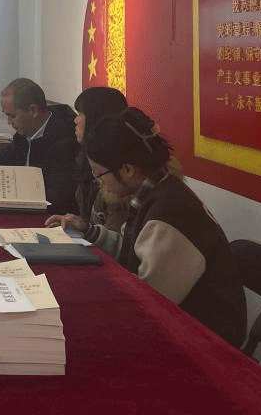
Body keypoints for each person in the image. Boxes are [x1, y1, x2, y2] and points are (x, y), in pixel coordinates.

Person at [80, 107, 247, 346]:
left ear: (127, 170)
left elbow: (148, 304)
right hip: (176, 320)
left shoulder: (168, 214)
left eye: (99, 174)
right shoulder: (157, 189)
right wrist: (88, 230)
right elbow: (133, 250)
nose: (99, 182)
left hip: (204, 342)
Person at [0, 77, 79, 215]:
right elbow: (13, 151)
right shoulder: (28, 129)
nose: (9, 122)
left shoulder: (65, 140)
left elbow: (59, 197)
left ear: (33, 110)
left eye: (13, 116)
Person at [44, 86, 128, 232]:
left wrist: (86, 229)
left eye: (80, 114)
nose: (75, 120)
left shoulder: (117, 170)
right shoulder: (82, 156)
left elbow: (114, 235)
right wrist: (73, 223)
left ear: (96, 118)